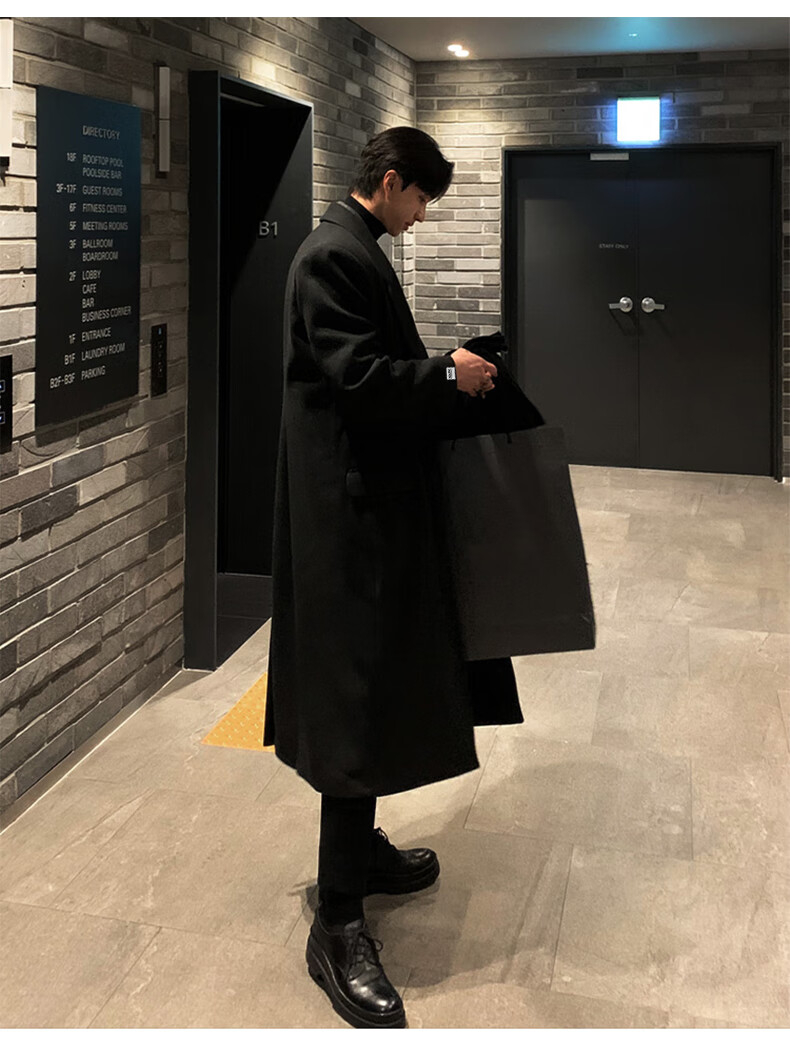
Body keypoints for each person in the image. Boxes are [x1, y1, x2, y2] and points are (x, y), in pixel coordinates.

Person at [264, 127, 518, 1029]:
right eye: (421, 200)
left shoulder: (350, 247)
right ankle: (337, 923)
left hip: (367, 510)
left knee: (372, 693)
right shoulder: (332, 255)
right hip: (348, 524)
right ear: (392, 180)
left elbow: (365, 372)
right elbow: (361, 380)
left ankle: (359, 856)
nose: (421, 217)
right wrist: (448, 373)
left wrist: (446, 370)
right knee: (353, 701)